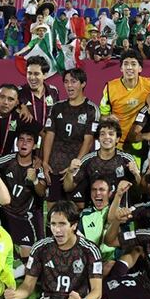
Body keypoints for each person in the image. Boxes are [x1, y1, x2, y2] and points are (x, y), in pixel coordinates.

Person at [41, 68, 99, 201]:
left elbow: (88, 141)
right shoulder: (57, 107)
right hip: (55, 165)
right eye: (66, 82)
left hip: (78, 167)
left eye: (73, 81)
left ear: (83, 84)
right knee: (53, 207)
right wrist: (45, 162)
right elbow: (49, 135)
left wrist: (75, 165)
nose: (69, 85)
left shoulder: (91, 109)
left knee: (76, 207)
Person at [0, 129, 47, 271]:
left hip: (24, 217)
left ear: (35, 146)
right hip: (4, 213)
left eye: (29, 141)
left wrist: (34, 180)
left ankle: (14, 270)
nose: (24, 143)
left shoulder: (37, 167)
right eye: (21, 140)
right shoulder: (7, 160)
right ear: (17, 143)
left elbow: (42, 192)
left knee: (29, 257)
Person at [62, 119, 141, 205]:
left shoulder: (126, 159)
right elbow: (67, 188)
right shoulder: (88, 160)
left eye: (111, 134)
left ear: (117, 139)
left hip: (119, 212)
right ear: (98, 139)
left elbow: (140, 188)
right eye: (102, 134)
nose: (106, 137)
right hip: (95, 212)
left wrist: (136, 174)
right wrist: (70, 172)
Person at [99, 52, 150, 159]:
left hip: (138, 142)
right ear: (121, 68)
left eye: (133, 64)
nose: (129, 67)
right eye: (126, 64)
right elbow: (103, 116)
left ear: (140, 68)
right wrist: (109, 118)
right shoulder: (110, 88)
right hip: (117, 143)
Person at [18, 55, 61, 135]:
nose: (32, 78)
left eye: (36, 74)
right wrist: (21, 105)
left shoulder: (53, 91)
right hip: (27, 142)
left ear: (45, 75)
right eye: (29, 73)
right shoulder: (18, 92)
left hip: (47, 140)